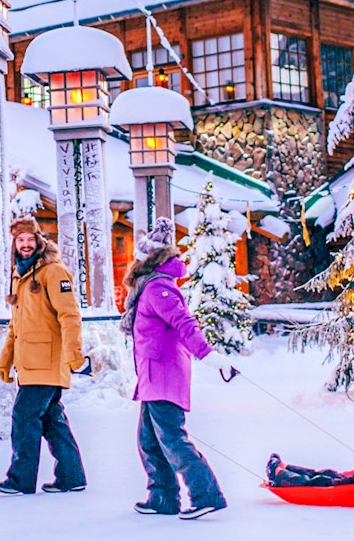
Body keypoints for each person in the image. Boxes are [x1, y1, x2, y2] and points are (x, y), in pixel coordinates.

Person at [120, 217, 233, 520]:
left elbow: (185, 324)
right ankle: (163, 498)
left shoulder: (158, 289)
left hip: (164, 376)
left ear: (148, 260)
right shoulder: (150, 287)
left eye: (138, 257)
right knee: (149, 440)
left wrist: (209, 355)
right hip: (151, 377)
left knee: (171, 439)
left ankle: (206, 495)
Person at [0, 216, 88, 496]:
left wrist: (74, 354)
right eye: (20, 240)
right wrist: (5, 359)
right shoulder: (19, 274)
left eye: (29, 239)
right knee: (51, 420)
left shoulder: (53, 271)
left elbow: (70, 316)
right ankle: (71, 477)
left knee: (24, 416)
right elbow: (16, 325)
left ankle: (20, 479)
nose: (25, 244)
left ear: (38, 241)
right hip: (29, 362)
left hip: (47, 359)